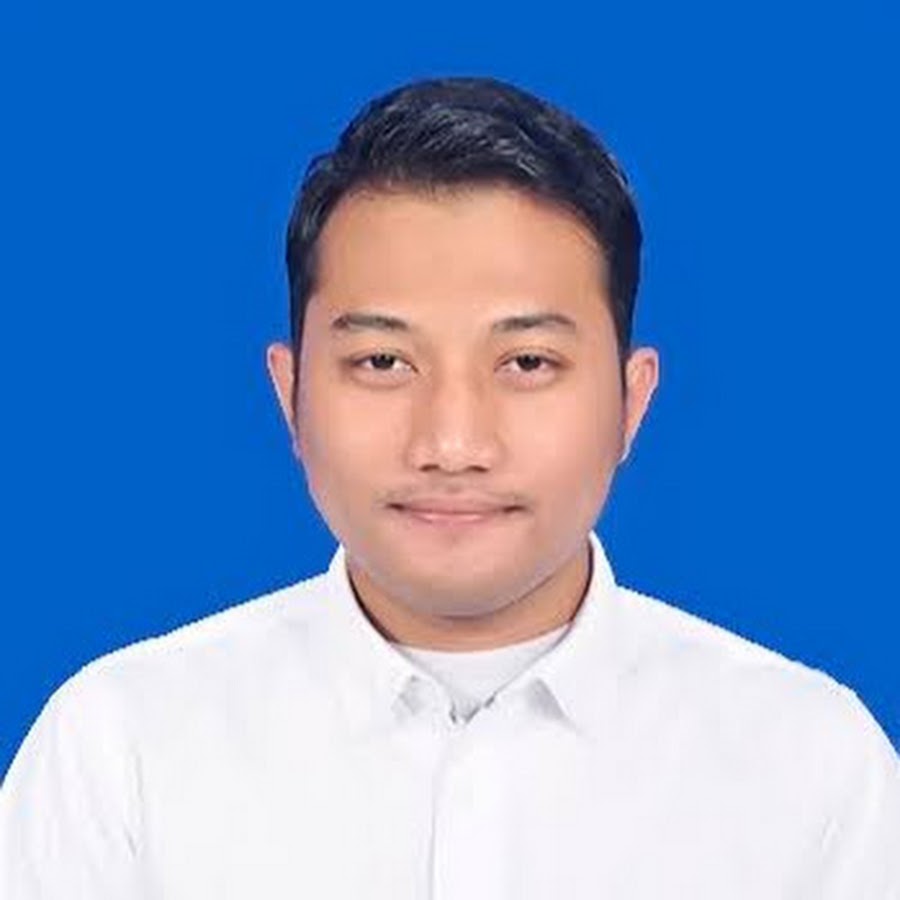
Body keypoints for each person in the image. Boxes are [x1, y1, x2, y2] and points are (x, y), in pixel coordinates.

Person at [1, 76, 898, 899]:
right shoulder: (119, 755)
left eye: (528, 362)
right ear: (290, 394)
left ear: (631, 402)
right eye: (383, 361)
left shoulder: (812, 770)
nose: (453, 444)